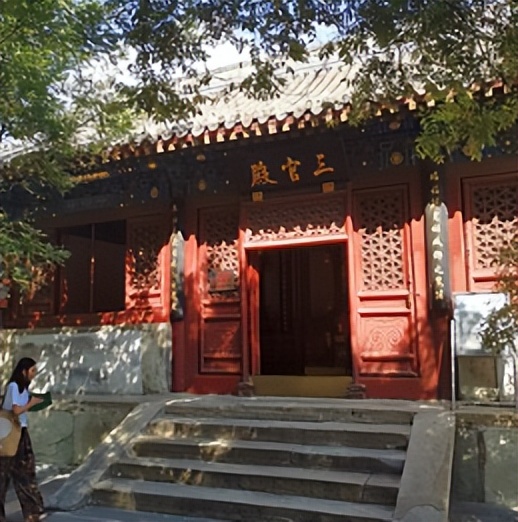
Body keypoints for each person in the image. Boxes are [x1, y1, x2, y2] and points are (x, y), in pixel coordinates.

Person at [0, 358, 47, 522]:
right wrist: (31, 403)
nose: (34, 374)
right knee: (3, 475)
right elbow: (16, 410)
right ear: (23, 371)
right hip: (9, 435)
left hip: (21, 432)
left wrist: (35, 403)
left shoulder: (24, 389)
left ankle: (32, 511)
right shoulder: (13, 386)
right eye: (32, 370)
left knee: (26, 472)